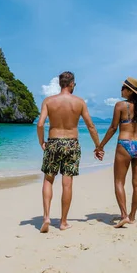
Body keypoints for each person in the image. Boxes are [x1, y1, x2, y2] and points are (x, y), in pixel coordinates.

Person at [37, 71, 102, 233]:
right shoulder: (79, 102)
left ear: (60, 84)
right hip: (72, 144)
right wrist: (98, 146)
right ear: (72, 84)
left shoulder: (49, 101)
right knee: (67, 183)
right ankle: (63, 222)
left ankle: (46, 217)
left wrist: (42, 142)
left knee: (48, 180)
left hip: (53, 142)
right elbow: (91, 126)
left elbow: (40, 124)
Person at [96, 77, 137, 228]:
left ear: (129, 91)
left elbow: (113, 128)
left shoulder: (120, 106)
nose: (121, 90)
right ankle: (132, 216)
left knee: (119, 181)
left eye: (123, 88)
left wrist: (101, 146)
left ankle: (124, 215)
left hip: (124, 144)